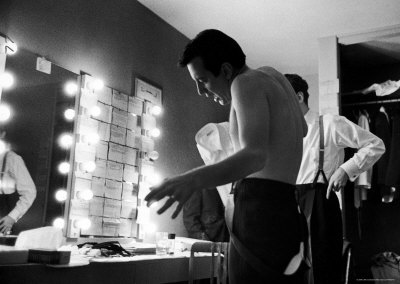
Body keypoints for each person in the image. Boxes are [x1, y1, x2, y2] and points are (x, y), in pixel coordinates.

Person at [145, 29, 308, 283]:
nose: (201, 91)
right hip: (286, 209)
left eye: (203, 80)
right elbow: (303, 128)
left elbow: (255, 156)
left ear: (226, 70)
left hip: (259, 212)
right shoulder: (273, 75)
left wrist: (191, 180)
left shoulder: (245, 83)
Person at [285, 73, 385, 284]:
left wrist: (346, 170)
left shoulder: (329, 123)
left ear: (299, 97)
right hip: (289, 203)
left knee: (323, 267)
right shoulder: (284, 130)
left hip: (320, 202)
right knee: (292, 269)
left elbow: (376, 145)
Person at [183, 122, 232, 243]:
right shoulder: (199, 181)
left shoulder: (234, 178)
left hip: (230, 243)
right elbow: (190, 220)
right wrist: (206, 244)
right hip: (209, 246)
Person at [0, 137, 37, 235]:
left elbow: (29, 192)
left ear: (2, 134)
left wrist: (12, 217)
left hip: (3, 213)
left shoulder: (12, 159)